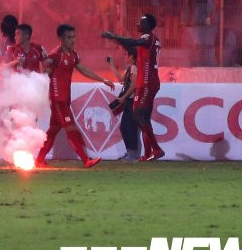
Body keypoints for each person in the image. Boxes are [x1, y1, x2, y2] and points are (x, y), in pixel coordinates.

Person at [35, 24, 113, 168]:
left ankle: (39, 160)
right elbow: (45, 74)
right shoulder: (55, 56)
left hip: (65, 99)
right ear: (60, 38)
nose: (72, 40)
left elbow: (84, 70)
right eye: (69, 37)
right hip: (58, 100)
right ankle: (86, 160)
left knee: (53, 131)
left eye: (73, 37)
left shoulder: (73, 55)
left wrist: (102, 79)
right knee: (71, 129)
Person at [102, 14, 164, 161]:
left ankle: (156, 149)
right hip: (148, 81)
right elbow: (132, 44)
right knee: (144, 118)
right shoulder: (151, 40)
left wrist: (115, 36)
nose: (138, 23)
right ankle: (147, 153)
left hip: (146, 81)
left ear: (148, 25)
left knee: (137, 116)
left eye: (141, 22)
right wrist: (116, 39)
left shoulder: (148, 38)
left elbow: (133, 42)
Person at [107, 47, 140, 160]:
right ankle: (130, 152)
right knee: (125, 127)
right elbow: (120, 78)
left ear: (131, 57)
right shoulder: (130, 68)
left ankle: (133, 154)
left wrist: (124, 97)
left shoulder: (134, 68)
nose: (124, 56)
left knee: (129, 127)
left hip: (132, 101)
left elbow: (134, 85)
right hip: (129, 101)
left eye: (126, 54)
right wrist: (111, 65)